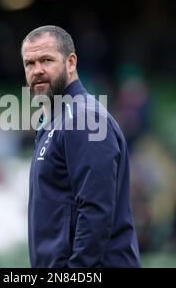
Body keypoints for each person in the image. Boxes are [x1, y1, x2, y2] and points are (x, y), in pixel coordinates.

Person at [21, 25, 141, 268]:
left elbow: (95, 211)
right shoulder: (57, 121)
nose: (37, 71)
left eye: (46, 60)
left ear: (71, 62)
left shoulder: (85, 119)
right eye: (29, 64)